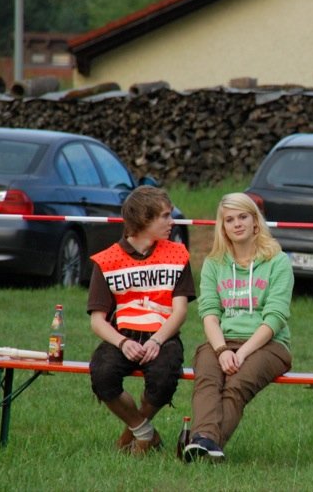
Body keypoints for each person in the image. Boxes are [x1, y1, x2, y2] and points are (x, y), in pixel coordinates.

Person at [183, 192, 293, 462]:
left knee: (236, 384)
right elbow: (209, 313)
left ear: (255, 221)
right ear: (223, 227)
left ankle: (201, 442)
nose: (237, 224)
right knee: (207, 380)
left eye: (243, 216)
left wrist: (242, 353)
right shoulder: (213, 264)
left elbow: (275, 317)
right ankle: (205, 442)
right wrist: (222, 350)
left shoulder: (278, 261)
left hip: (268, 345)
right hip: (222, 341)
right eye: (229, 219)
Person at [87, 186, 196, 455]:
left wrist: (157, 340)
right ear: (144, 219)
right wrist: (123, 343)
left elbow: (180, 311)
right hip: (122, 336)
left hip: (164, 336)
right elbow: (97, 322)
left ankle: (132, 435)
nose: (172, 222)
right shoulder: (107, 260)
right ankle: (145, 432)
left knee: (164, 377)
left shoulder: (178, 255)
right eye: (165, 216)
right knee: (102, 374)